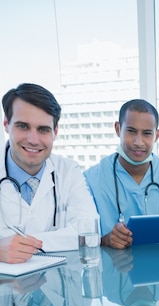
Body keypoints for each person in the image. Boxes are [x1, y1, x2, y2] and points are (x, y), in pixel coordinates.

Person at [0, 83, 98, 264]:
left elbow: (89, 232)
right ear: (7, 124)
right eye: (23, 126)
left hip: (55, 286)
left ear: (56, 131)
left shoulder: (69, 171)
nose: (33, 140)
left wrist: (19, 245)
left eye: (43, 129)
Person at [84, 98, 159, 249]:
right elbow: (80, 239)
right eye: (131, 131)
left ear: (156, 135)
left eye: (147, 133)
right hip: (112, 271)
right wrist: (105, 240)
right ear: (118, 129)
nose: (138, 142)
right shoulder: (90, 180)